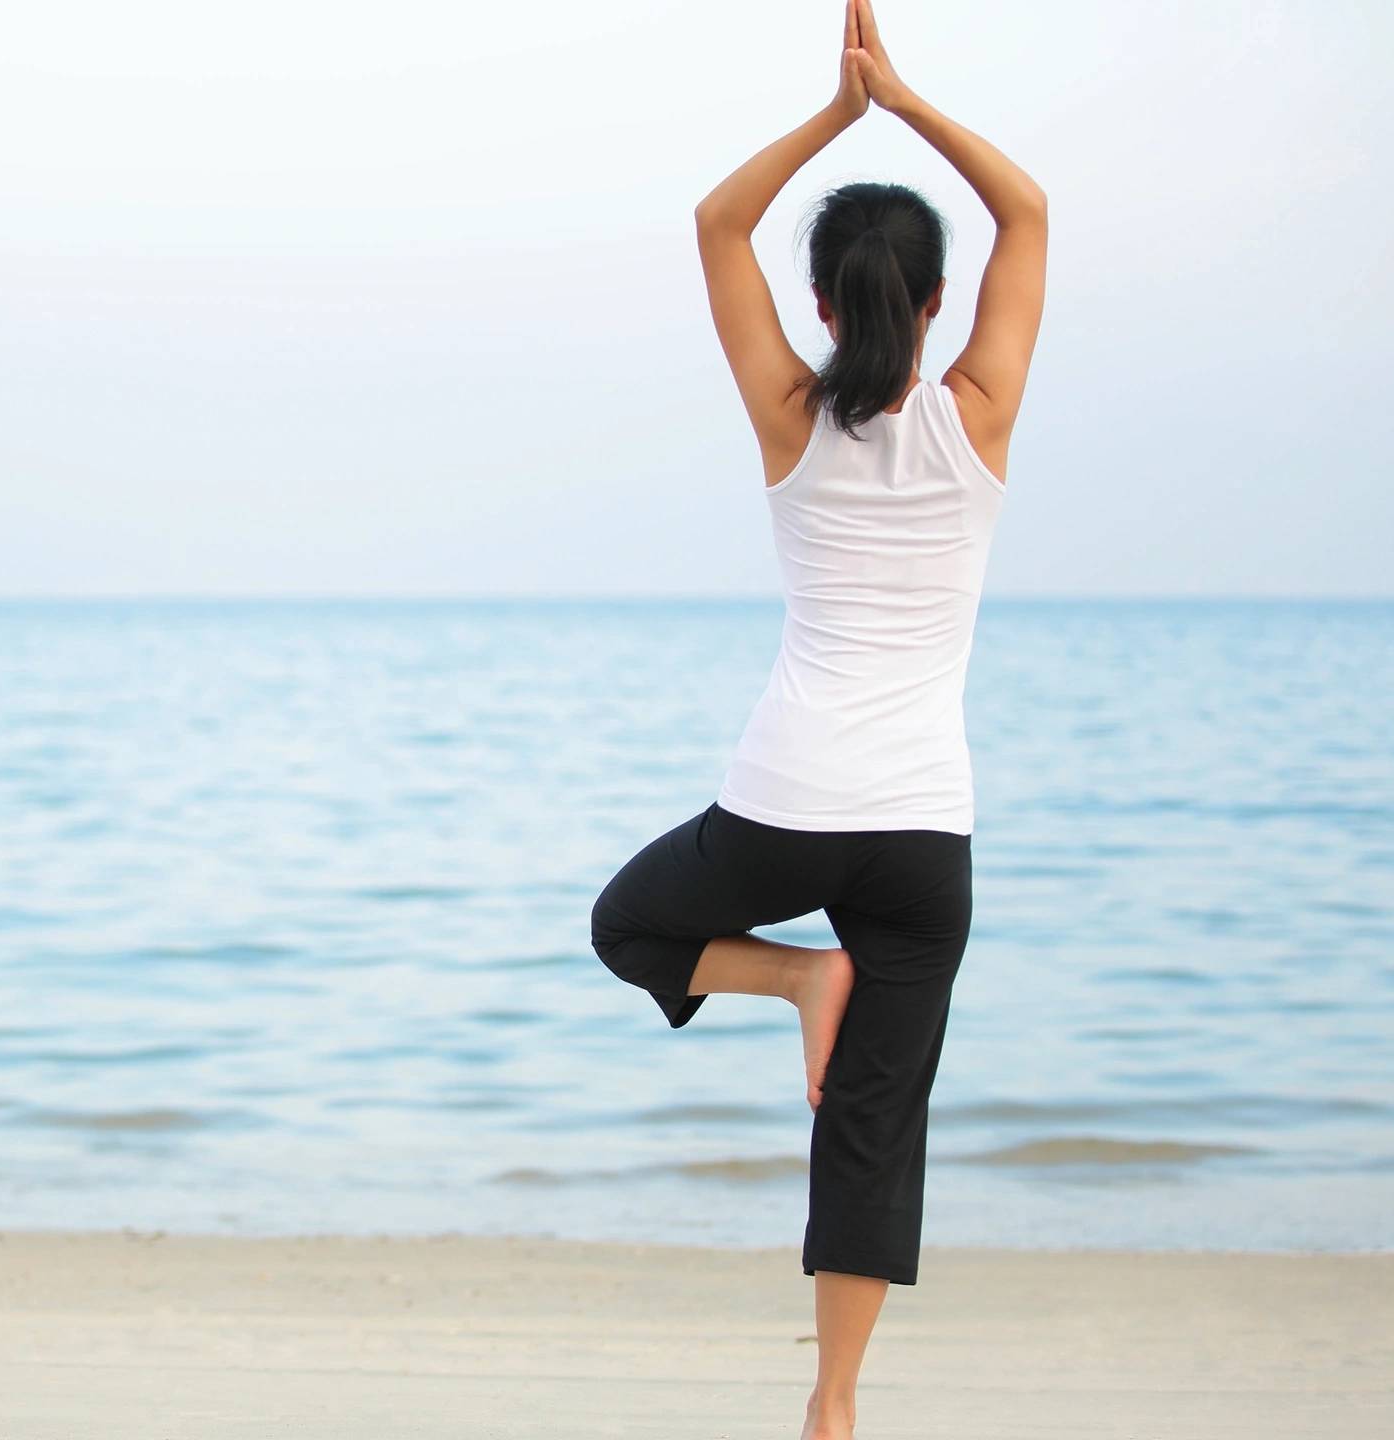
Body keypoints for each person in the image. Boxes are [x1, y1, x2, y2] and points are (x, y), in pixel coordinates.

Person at [586, 3, 1047, 1437]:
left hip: (783, 812)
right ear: (932, 301)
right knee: (872, 1128)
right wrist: (904, 104)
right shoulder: (979, 412)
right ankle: (834, 1405)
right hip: (923, 833)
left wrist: (834, 118)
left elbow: (717, 224)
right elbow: (1028, 205)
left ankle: (794, 981)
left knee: (629, 928)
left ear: (833, 307)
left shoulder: (790, 412)